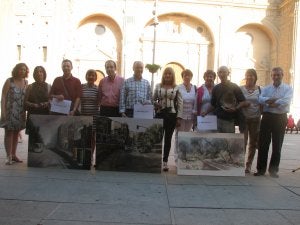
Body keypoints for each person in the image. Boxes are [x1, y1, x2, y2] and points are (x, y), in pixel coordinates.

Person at [254, 67, 293, 178]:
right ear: (271, 76)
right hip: (267, 117)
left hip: (280, 118)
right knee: (263, 145)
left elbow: (286, 100)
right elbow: (260, 99)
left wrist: (271, 101)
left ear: (282, 75)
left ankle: (273, 170)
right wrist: (273, 101)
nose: (276, 77)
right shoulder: (266, 88)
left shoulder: (288, 88)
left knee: (277, 145)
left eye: (278, 75)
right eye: (274, 75)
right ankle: (261, 170)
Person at [153, 67, 183, 171]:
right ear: (163, 75)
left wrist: (179, 117)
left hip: (171, 115)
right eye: (166, 74)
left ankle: (165, 162)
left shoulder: (177, 87)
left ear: (172, 75)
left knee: (168, 139)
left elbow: (180, 103)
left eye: (170, 74)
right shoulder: (158, 86)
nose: (167, 75)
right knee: (158, 138)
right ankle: (155, 160)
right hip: (160, 114)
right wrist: (155, 104)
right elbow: (152, 99)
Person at [1, 63, 28, 164]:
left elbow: (25, 98)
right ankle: (8, 156)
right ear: (16, 70)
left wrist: (25, 112)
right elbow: (3, 96)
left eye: (24, 70)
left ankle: (14, 154)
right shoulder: (9, 81)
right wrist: (3, 111)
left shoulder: (26, 82)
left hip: (20, 112)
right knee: (9, 132)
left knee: (16, 133)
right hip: (10, 110)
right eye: (20, 69)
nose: (22, 71)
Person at [207, 66, 247, 133]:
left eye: (224, 72)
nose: (222, 74)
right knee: (217, 141)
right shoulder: (216, 88)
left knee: (228, 142)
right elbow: (213, 105)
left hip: (229, 120)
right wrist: (205, 112)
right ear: (218, 74)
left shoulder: (234, 87)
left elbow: (243, 101)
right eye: (220, 72)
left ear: (228, 73)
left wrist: (236, 108)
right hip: (217, 120)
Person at [240, 69, 262, 173]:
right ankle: (240, 164)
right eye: (247, 75)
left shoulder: (260, 89)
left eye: (251, 75)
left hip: (255, 119)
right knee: (243, 143)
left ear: (255, 77)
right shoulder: (240, 89)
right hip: (244, 119)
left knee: (253, 143)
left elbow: (262, 104)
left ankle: (248, 165)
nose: (249, 77)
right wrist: (243, 104)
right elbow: (236, 102)